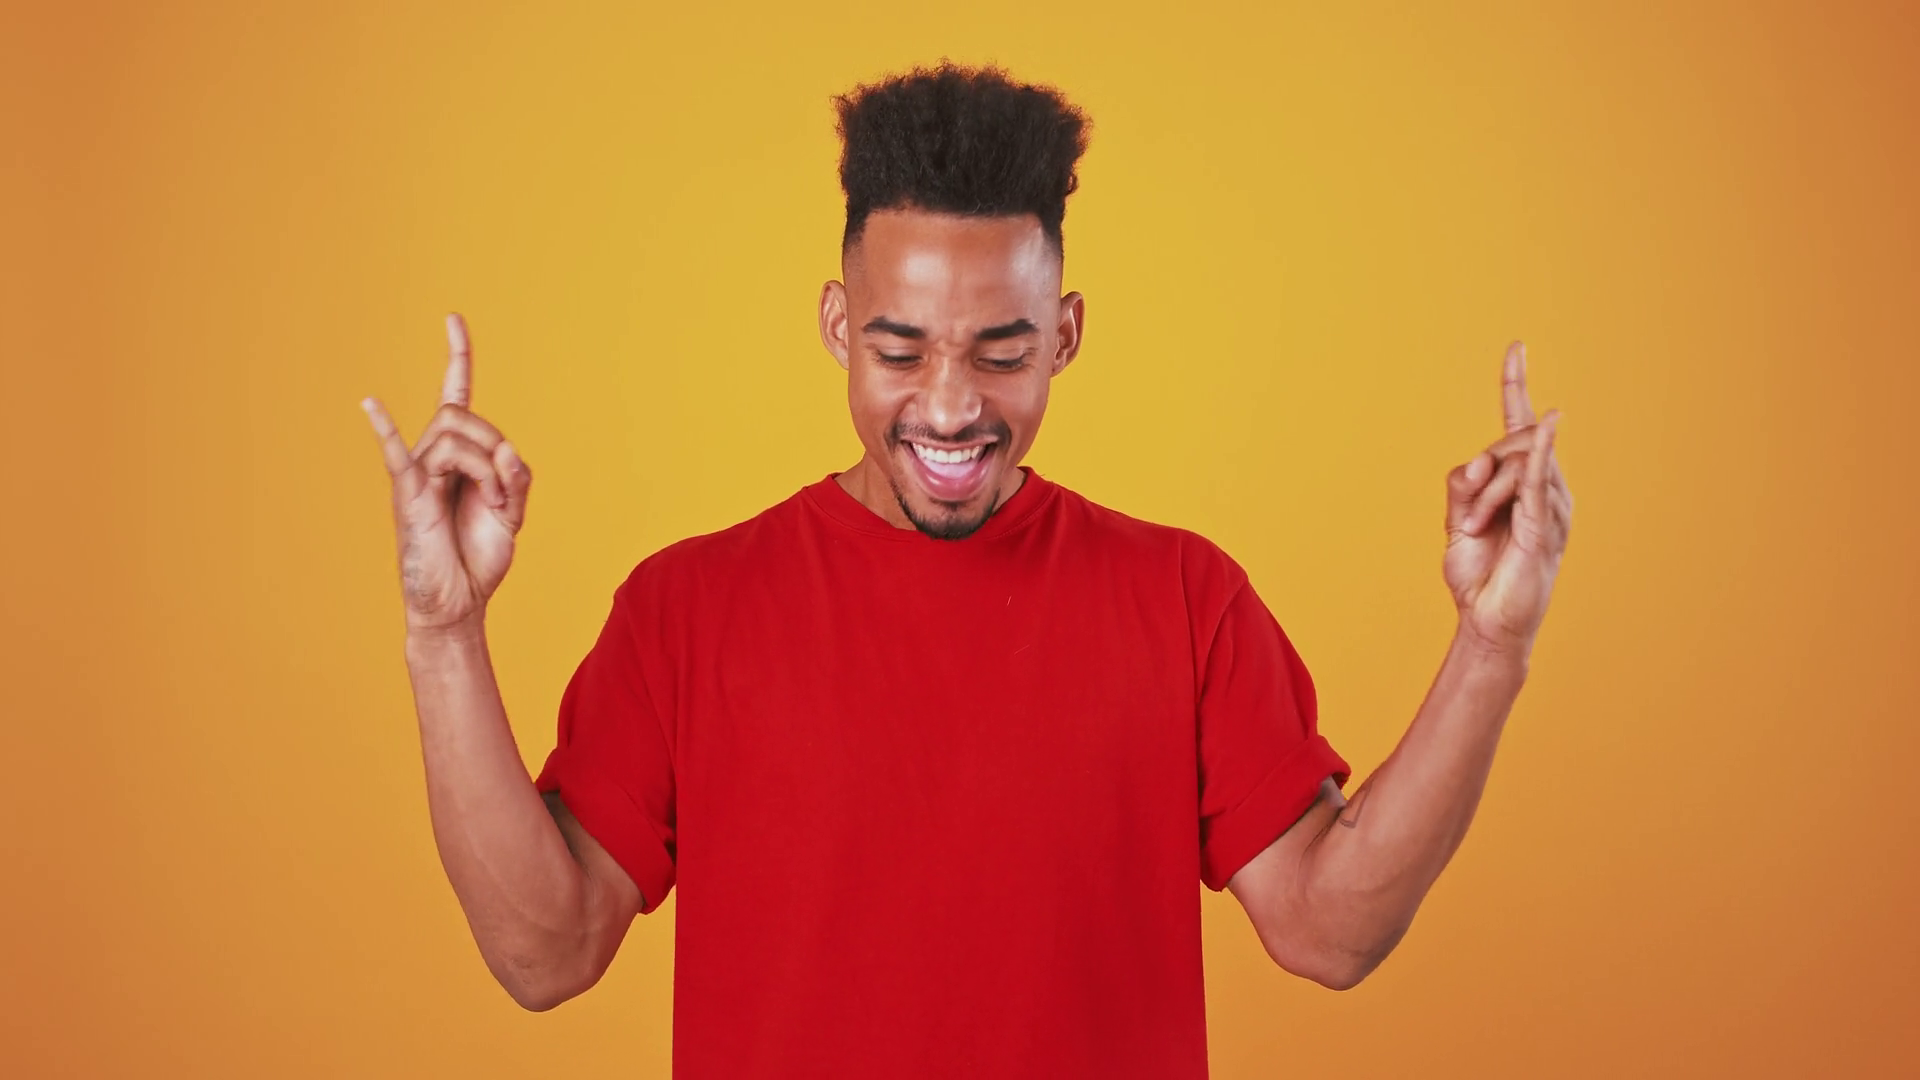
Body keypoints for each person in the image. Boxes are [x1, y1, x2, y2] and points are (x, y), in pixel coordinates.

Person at [361, 63, 1572, 1079]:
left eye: (1001, 352)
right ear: (839, 327)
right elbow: (545, 954)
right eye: (901, 350)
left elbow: (1330, 931)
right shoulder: (687, 609)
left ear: (1065, 336)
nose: (950, 407)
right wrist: (443, 635)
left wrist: (1493, 644)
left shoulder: (1184, 599)